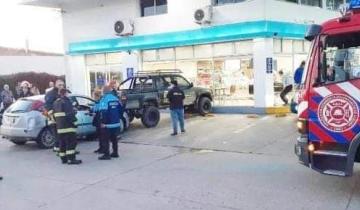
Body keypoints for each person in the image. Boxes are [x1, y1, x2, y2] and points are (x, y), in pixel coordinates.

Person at [53, 88, 82, 165]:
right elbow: (70, 114)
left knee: (62, 143)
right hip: (68, 127)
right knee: (71, 143)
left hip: (60, 128)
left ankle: (63, 159)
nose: (68, 95)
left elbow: (54, 115)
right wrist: (76, 123)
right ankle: (71, 159)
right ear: (65, 93)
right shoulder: (66, 101)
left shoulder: (56, 102)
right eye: (68, 93)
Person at [98, 85, 123, 160]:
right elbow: (121, 109)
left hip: (107, 124)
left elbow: (103, 112)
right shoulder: (116, 98)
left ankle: (106, 154)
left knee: (105, 139)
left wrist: (103, 122)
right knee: (114, 139)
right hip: (116, 123)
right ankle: (115, 152)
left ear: (104, 91)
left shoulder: (104, 99)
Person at [45, 79, 65, 153]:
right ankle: (59, 149)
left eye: (63, 85)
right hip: (54, 118)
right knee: (57, 134)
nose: (61, 86)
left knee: (61, 135)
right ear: (55, 85)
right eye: (59, 85)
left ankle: (58, 148)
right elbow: (48, 106)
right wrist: (52, 117)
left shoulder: (61, 93)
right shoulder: (51, 93)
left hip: (61, 117)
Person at [92, 88, 103, 154]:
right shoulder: (97, 102)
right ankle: (101, 148)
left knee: (101, 136)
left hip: (100, 121)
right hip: (98, 120)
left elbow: (97, 110)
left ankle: (103, 148)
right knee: (100, 136)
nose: (93, 97)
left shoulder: (100, 102)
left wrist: (94, 112)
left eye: (94, 96)